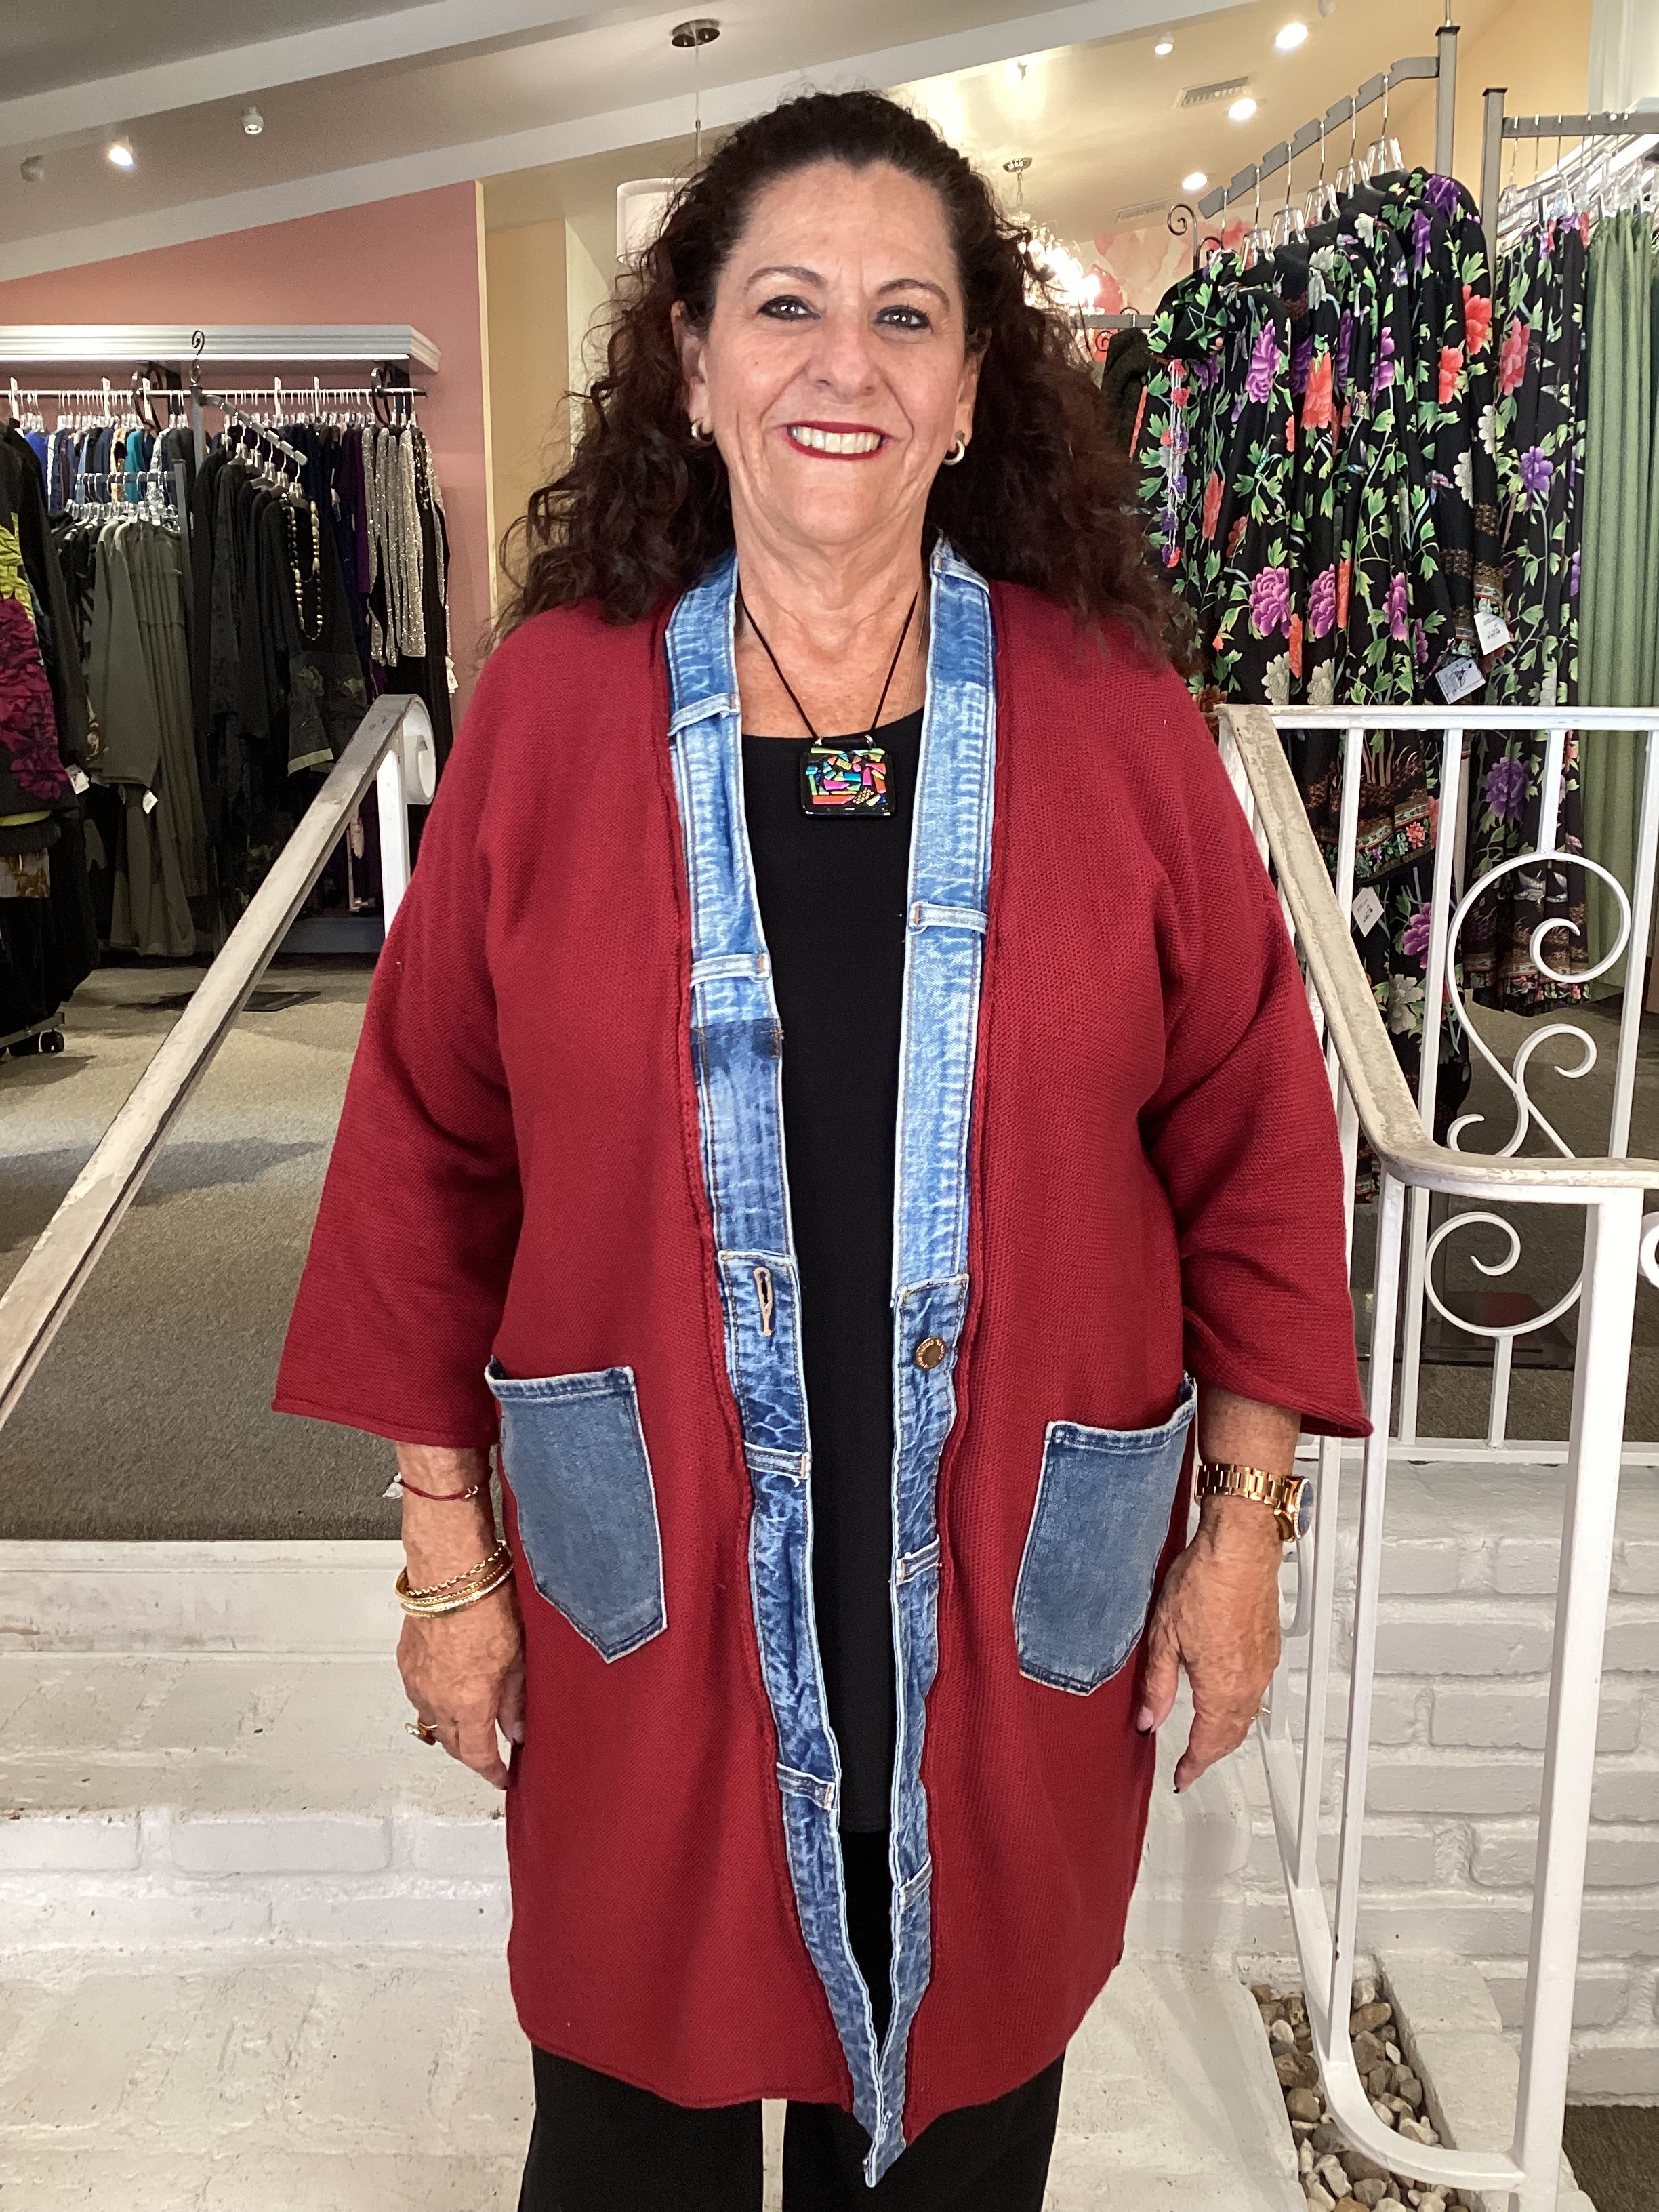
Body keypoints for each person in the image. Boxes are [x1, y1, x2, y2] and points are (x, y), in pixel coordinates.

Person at [276, 87, 1366, 2211]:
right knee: (632, 2130)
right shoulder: (556, 712)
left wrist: (1242, 1532)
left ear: (970, 388)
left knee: (958, 2140)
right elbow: (427, 1142)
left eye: (903, 315)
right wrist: (448, 1563)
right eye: (784, 306)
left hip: (1010, 1577)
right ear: (692, 360)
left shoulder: (1115, 718)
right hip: (655, 1587)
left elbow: (1251, 1131)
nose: (840, 363)